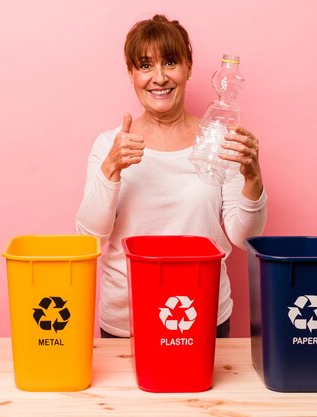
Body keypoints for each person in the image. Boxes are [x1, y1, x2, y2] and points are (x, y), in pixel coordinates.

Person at [75, 15, 267, 338]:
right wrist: (111, 169)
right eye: (146, 65)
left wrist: (253, 177)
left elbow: (243, 236)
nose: (160, 77)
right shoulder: (110, 145)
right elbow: (88, 239)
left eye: (171, 62)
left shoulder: (219, 141)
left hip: (202, 314)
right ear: (132, 74)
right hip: (128, 320)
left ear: (189, 67)